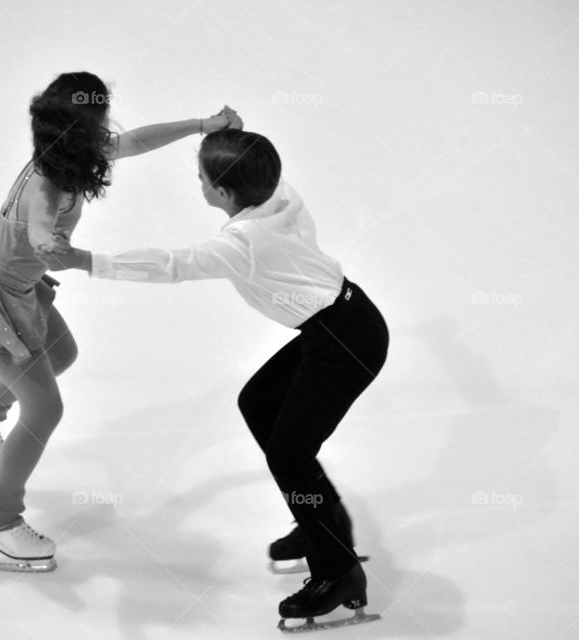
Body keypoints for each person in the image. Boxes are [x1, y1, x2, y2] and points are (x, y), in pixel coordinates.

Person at [38, 129, 389, 625]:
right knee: (259, 404)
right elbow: (253, 167)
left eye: (202, 177)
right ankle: (324, 521)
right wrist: (230, 137)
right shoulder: (282, 193)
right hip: (349, 322)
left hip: (344, 344)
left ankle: (338, 572)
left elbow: (173, 266)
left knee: (290, 454)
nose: (198, 182)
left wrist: (87, 261)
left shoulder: (240, 243)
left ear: (222, 194)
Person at [0, 71, 242, 571]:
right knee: (44, 409)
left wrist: (204, 124)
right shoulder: (51, 179)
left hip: (16, 287)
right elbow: (39, 221)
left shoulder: (74, 155)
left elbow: (137, 141)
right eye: (99, 120)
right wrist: (48, 244)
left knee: (63, 354)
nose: (107, 131)